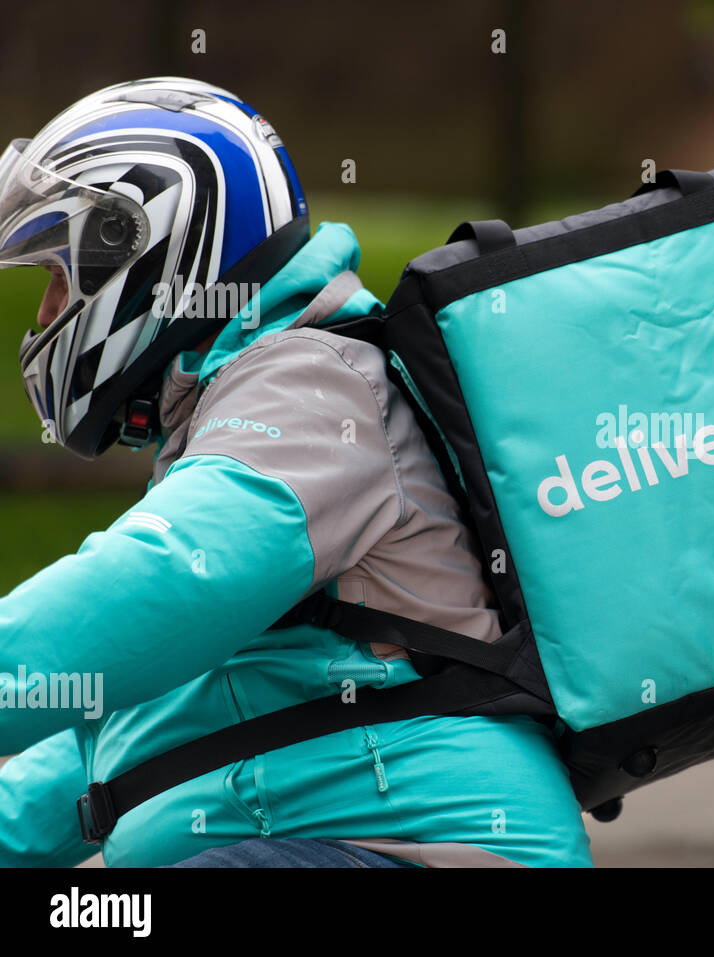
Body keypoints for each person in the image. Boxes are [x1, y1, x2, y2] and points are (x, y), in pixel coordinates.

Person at [0, 77, 592, 868]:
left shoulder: (314, 382)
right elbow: (126, 729)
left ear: (146, 249)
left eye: (61, 280)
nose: (45, 318)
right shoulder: (236, 406)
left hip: (420, 848)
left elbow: (165, 581)